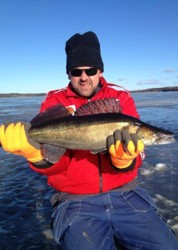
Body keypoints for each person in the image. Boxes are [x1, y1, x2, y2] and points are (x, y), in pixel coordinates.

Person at [0, 31, 177, 250]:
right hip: (76, 201)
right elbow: (57, 164)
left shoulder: (120, 96)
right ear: (68, 74)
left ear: (100, 70)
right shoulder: (54, 99)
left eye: (90, 70)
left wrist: (126, 161)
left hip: (125, 192)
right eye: (76, 71)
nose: (84, 77)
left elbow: (138, 155)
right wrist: (36, 154)